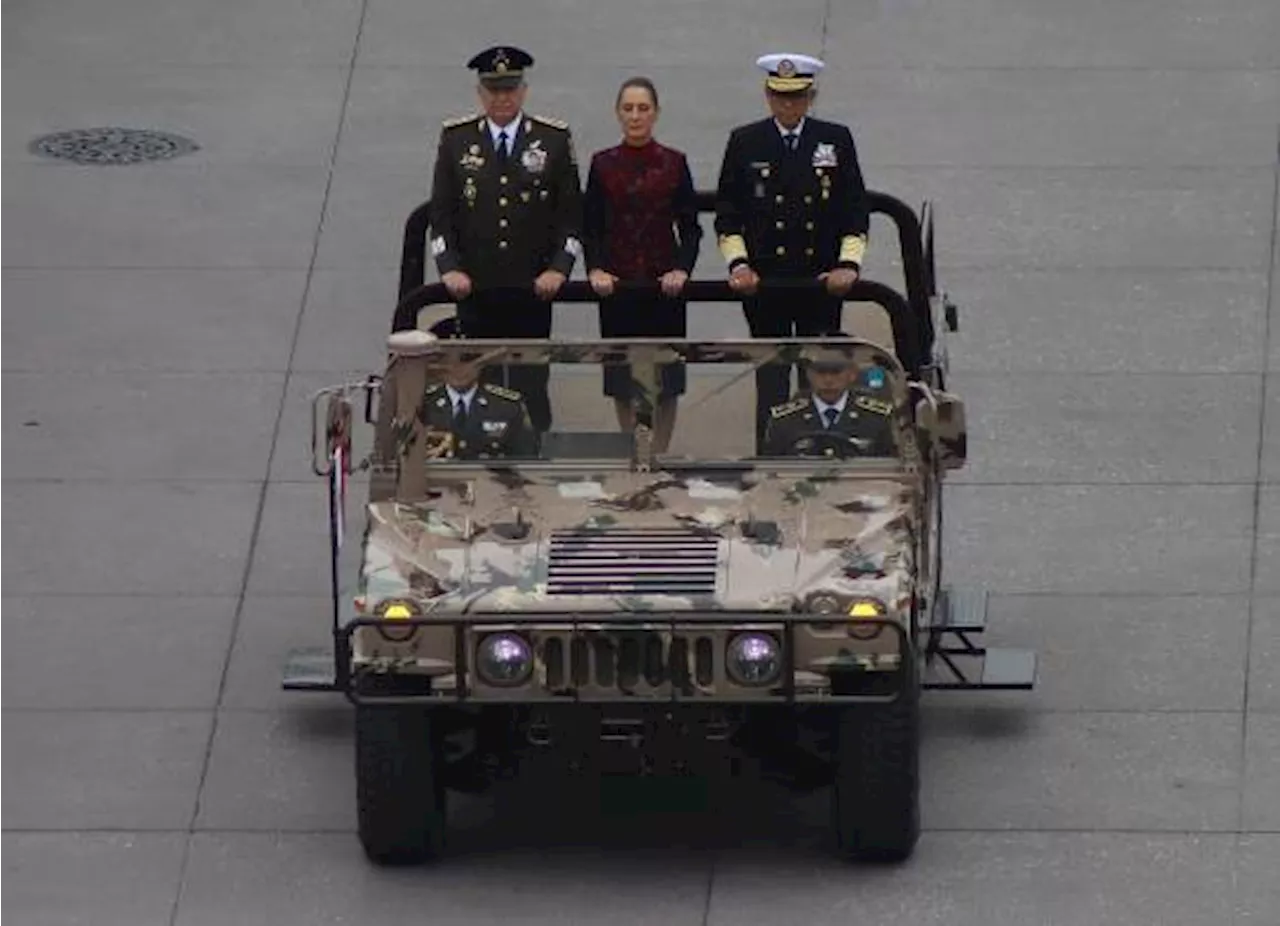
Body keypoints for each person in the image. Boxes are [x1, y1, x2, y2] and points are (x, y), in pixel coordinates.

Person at [713, 52, 871, 454]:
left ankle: (821, 456)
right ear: (768, 96)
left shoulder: (834, 140)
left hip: (820, 282)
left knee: (820, 374)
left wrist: (848, 265)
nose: (788, 105)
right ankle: (770, 459)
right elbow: (728, 216)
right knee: (771, 378)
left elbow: (855, 211)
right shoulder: (746, 142)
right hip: (767, 284)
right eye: (781, 97)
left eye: (797, 97)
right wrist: (739, 264)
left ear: (810, 97)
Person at [426, 45, 584, 438]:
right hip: (476, 287)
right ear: (481, 93)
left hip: (532, 288)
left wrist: (559, 268)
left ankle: (534, 447)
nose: (502, 98)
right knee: (481, 374)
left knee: (531, 379)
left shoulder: (553, 141)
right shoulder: (457, 140)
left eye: (510, 89)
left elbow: (571, 219)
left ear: (523, 91)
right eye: (493, 90)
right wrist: (449, 268)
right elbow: (441, 217)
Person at [584, 76, 702, 455]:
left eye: (643, 108)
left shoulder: (674, 162)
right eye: (628, 108)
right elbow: (591, 227)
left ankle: (660, 454)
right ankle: (631, 451)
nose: (635, 116)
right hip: (617, 287)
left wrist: (682, 269)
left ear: (656, 113)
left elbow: (691, 227)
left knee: (666, 379)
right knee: (622, 377)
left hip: (663, 288)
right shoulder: (602, 164)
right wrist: (595, 269)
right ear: (618, 113)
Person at [418, 317, 538, 459]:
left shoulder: (506, 406)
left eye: (467, 359)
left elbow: (526, 460)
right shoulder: (421, 404)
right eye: (446, 360)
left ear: (482, 361)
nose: (458, 368)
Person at [762, 336, 896, 457]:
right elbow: (771, 474)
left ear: (852, 373)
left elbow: (894, 472)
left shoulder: (877, 418)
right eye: (820, 372)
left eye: (836, 372)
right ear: (808, 374)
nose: (828, 380)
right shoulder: (785, 420)